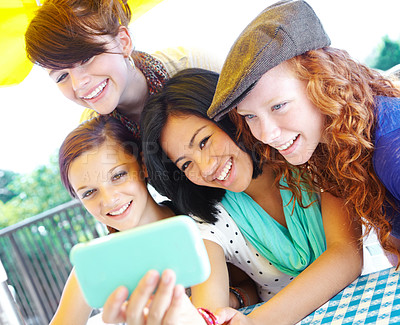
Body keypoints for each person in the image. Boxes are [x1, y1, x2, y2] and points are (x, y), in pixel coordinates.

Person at [101, 68, 362, 325]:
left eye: (203, 142)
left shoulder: (305, 155)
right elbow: (209, 308)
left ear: (229, 118)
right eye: (186, 164)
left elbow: (346, 254)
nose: (205, 168)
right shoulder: (212, 219)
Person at [207, 0, 400, 267]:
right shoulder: (342, 145)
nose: (267, 134)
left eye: (279, 106)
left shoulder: (391, 147)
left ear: (323, 82)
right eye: (250, 116)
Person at [52, 115, 256, 325]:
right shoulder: (96, 262)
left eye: (118, 176)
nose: (109, 199)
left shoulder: (196, 222)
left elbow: (251, 286)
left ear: (142, 165)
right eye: (89, 193)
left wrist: (231, 300)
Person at [24, 0, 221, 133]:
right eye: (61, 76)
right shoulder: (95, 130)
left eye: (85, 59)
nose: (78, 84)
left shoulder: (191, 65)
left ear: (123, 42)